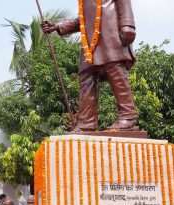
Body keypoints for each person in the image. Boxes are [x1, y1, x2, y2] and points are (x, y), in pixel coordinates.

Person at [41, 0, 138, 132]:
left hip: (110, 34)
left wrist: (128, 24)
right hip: (89, 44)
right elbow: (83, 19)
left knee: (115, 73)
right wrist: (58, 26)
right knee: (86, 78)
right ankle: (87, 122)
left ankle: (128, 116)